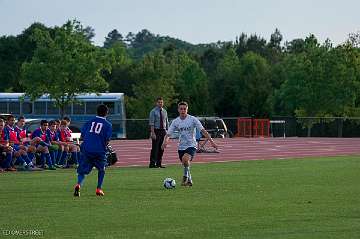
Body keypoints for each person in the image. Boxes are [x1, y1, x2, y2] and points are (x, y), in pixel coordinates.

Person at [162, 101, 218, 186]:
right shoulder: (175, 121)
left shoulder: (193, 119)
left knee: (185, 159)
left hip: (192, 145)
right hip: (181, 146)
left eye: (184, 109)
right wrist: (165, 141)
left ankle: (185, 176)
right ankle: (189, 179)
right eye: (181, 109)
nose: (183, 110)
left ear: (187, 109)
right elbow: (168, 134)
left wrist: (212, 142)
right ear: (178, 110)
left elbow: (203, 131)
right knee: (185, 163)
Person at [73, 104, 112, 197]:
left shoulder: (89, 122)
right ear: (106, 113)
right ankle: (99, 188)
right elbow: (107, 139)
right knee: (102, 169)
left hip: (86, 149)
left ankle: (78, 184)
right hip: (99, 150)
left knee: (82, 171)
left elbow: (82, 135)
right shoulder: (108, 125)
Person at [149, 97, 169, 168]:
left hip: (163, 131)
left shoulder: (165, 111)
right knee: (155, 148)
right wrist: (153, 133)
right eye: (159, 102)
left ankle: (159, 163)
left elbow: (166, 122)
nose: (160, 103)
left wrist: (167, 133)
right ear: (156, 103)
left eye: (161, 102)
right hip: (156, 130)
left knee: (162, 148)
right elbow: (151, 123)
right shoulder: (153, 111)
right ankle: (152, 163)